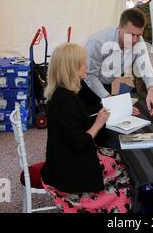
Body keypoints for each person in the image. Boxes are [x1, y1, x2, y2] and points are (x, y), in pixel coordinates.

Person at [40, 43, 132, 213]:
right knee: (124, 166)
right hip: (68, 170)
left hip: (62, 159)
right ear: (71, 68)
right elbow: (79, 143)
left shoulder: (61, 93)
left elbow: (73, 123)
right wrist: (98, 123)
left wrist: (98, 115)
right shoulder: (65, 99)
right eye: (82, 63)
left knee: (116, 154)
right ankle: (108, 206)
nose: (86, 66)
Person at [83, 7, 153, 117]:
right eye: (131, 34)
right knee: (87, 122)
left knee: (106, 123)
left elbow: (147, 69)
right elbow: (89, 76)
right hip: (85, 86)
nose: (134, 40)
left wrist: (151, 90)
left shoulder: (138, 42)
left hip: (106, 85)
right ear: (119, 28)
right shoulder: (98, 41)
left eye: (138, 35)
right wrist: (112, 101)